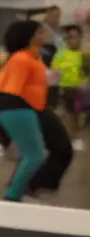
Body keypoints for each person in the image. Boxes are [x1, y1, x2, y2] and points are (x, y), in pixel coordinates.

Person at [0, 19, 73, 201]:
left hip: (28, 108)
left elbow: (37, 82)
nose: (43, 34)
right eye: (38, 32)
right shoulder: (21, 59)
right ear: (29, 37)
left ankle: (21, 191)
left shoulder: (33, 58)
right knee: (33, 155)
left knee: (34, 155)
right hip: (20, 109)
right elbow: (11, 89)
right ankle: (15, 194)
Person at [51, 23, 85, 151]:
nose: (73, 40)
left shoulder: (82, 55)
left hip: (79, 90)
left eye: (75, 37)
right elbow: (54, 71)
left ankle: (75, 138)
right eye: (70, 37)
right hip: (63, 88)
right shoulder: (61, 53)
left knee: (76, 115)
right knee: (64, 115)